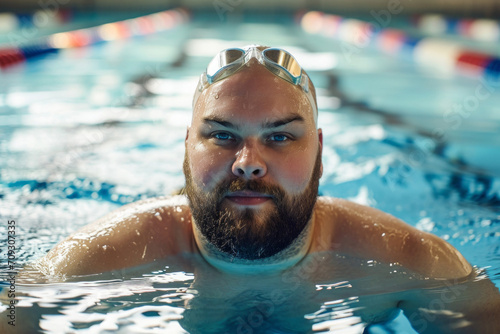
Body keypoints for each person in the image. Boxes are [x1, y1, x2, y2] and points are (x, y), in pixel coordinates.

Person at [10, 45, 500, 332]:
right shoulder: (100, 259)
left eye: (280, 137)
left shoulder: (411, 262)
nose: (248, 164)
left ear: (322, 153)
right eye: (222, 135)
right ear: (186, 148)